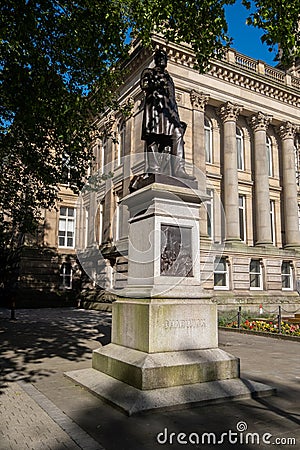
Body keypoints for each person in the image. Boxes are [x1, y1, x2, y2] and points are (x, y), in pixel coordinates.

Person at [140, 49, 195, 180]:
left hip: (169, 113)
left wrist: (176, 116)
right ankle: (153, 168)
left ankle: (179, 169)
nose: (162, 59)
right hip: (154, 109)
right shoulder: (149, 72)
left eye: (164, 57)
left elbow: (172, 99)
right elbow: (144, 85)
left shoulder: (169, 77)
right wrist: (156, 83)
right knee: (153, 137)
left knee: (177, 133)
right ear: (155, 60)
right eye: (159, 57)